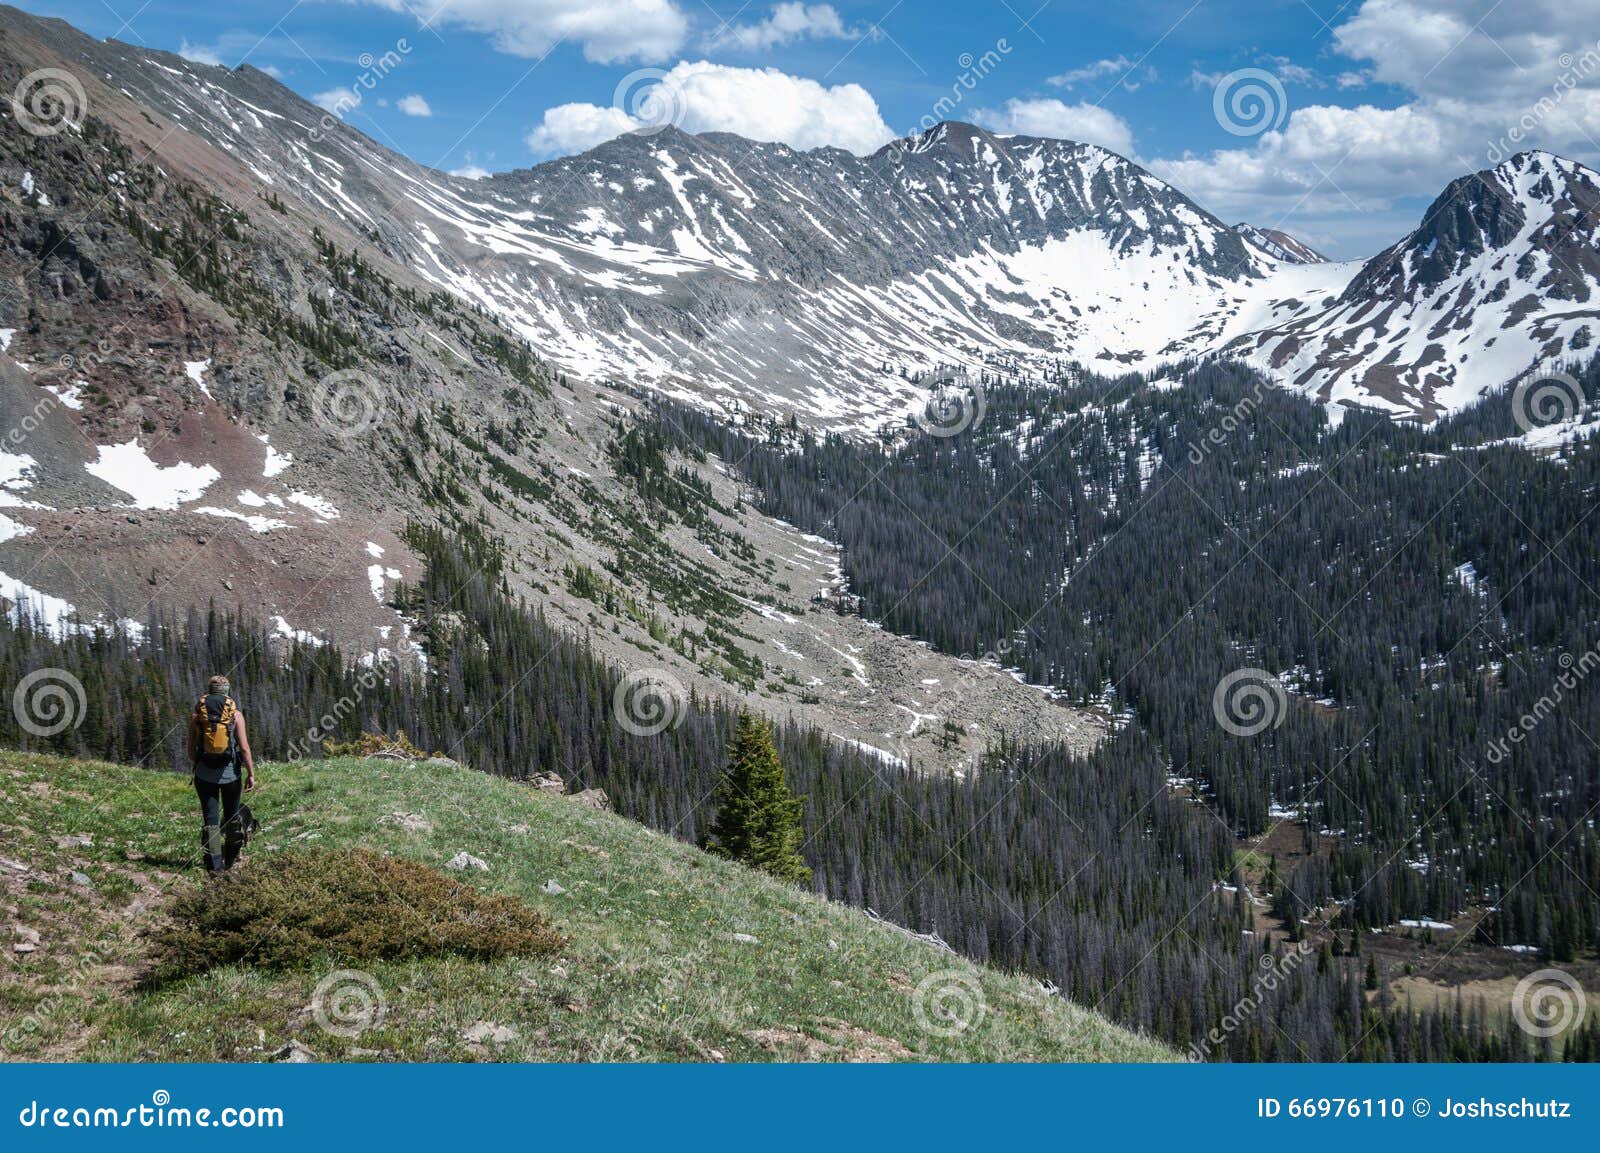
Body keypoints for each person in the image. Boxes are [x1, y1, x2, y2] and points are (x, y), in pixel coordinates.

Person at [186, 674, 257, 875]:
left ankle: (215, 866)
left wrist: (201, 764)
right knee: (232, 815)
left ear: (209, 691)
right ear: (227, 692)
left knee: (211, 819)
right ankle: (230, 859)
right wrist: (250, 773)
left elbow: (190, 750)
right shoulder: (235, 715)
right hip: (230, 776)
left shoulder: (197, 716)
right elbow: (244, 748)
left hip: (204, 775)